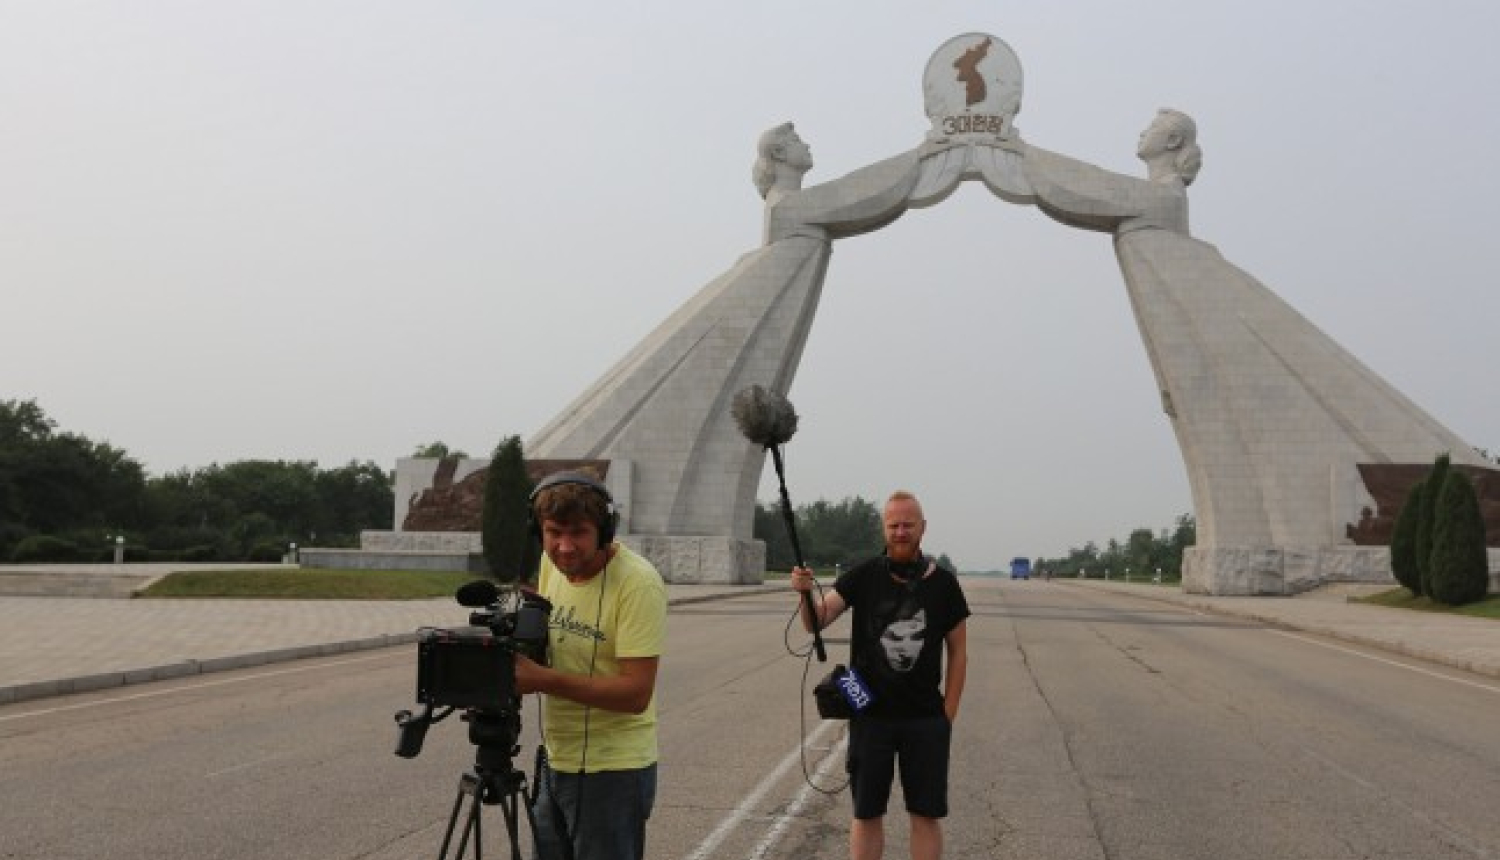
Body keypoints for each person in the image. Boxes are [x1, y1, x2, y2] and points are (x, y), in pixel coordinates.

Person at [791, 490, 970, 860]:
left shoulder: (944, 585)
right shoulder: (864, 576)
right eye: (894, 525)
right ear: (883, 529)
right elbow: (816, 622)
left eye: (908, 524)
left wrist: (947, 714)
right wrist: (804, 593)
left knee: (925, 814)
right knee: (866, 812)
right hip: (870, 717)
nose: (901, 532)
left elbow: (959, 653)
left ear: (923, 527)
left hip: (924, 719)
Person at [513, 470, 667, 860]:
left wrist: (541, 679)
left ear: (605, 531)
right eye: (554, 532)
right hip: (555, 760)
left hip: (614, 772)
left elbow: (636, 693)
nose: (565, 547)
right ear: (539, 531)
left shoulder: (638, 583)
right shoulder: (554, 567)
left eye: (578, 532)